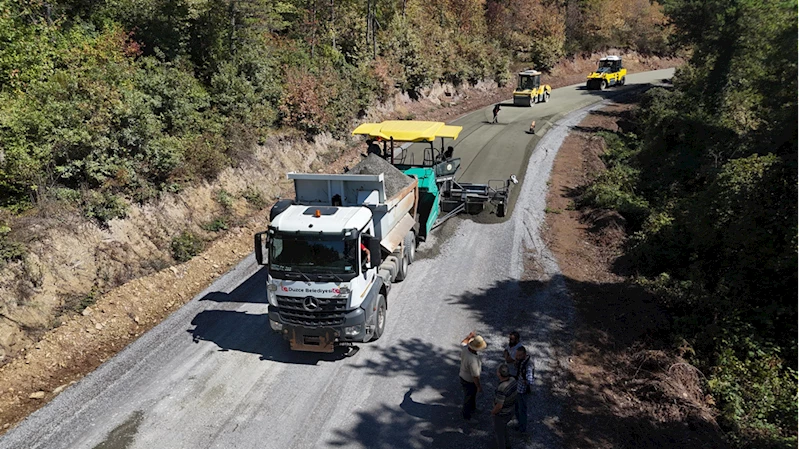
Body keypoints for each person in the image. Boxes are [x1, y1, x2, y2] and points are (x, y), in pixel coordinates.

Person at [459, 331, 486, 420]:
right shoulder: (473, 360)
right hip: (469, 380)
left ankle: (473, 408)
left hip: (462, 375)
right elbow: (475, 376)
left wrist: (469, 336)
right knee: (469, 397)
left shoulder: (465, 349)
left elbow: (463, 342)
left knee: (471, 395)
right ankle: (467, 415)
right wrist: (478, 386)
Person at [491, 363, 518, 449]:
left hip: (502, 414)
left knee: (499, 434)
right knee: (504, 428)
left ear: (499, 374)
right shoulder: (513, 380)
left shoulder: (502, 388)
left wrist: (493, 412)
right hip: (511, 410)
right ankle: (508, 445)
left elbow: (499, 406)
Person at [514, 345, 535, 434]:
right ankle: (519, 424)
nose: (517, 357)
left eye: (519, 355)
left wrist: (524, 381)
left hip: (522, 391)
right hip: (518, 388)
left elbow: (530, 380)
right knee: (517, 408)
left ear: (524, 354)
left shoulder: (528, 365)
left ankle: (522, 429)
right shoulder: (522, 361)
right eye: (517, 355)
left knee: (522, 410)